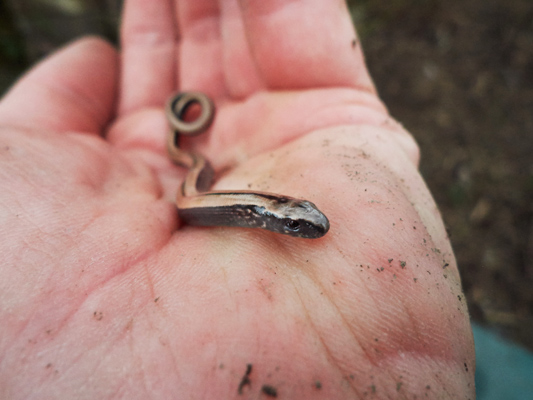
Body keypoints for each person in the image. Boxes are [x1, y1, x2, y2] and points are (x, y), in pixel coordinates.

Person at [0, 0, 475, 398]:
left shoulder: (263, 209)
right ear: (265, 218)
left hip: (203, 194)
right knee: (192, 163)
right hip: (195, 201)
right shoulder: (249, 212)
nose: (302, 227)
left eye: (296, 222)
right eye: (293, 225)